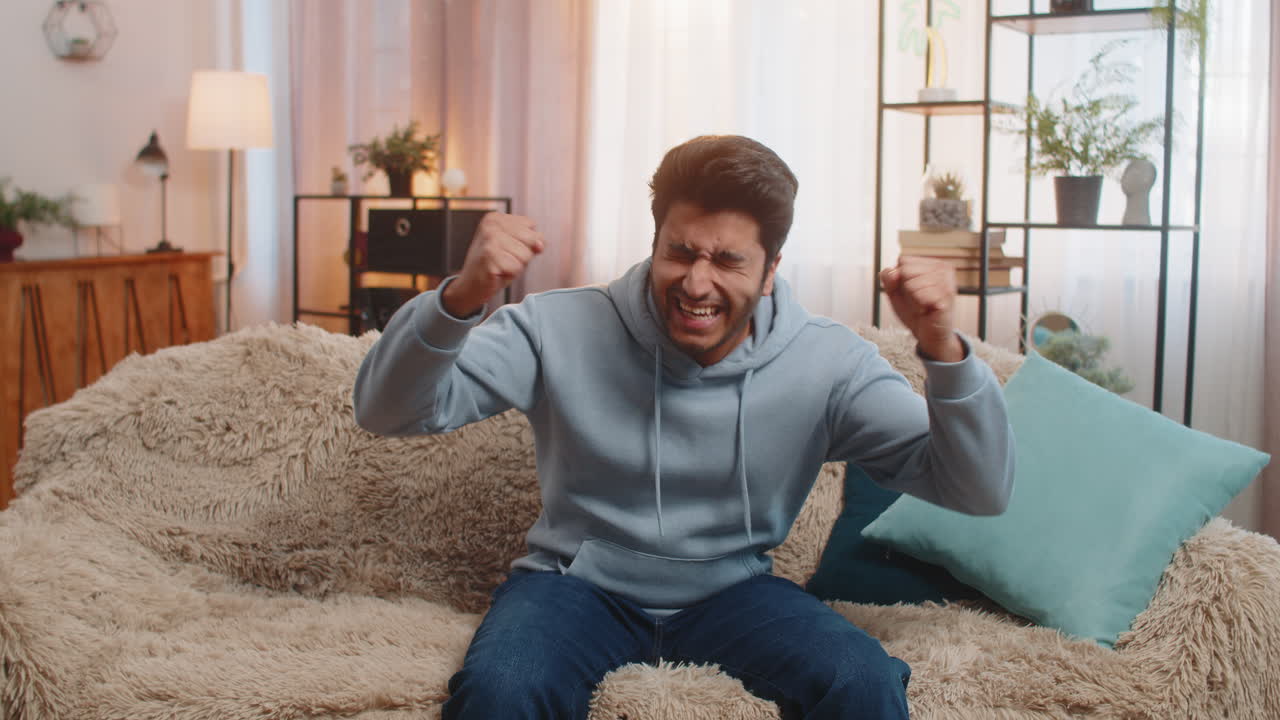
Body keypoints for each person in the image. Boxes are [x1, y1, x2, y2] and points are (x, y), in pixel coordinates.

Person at [353, 134, 1015, 719]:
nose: (696, 283)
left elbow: (977, 490)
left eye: (728, 261)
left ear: (771, 269)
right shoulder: (556, 326)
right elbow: (387, 410)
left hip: (736, 592)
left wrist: (944, 349)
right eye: (681, 252)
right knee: (501, 692)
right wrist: (461, 298)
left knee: (862, 681)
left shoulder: (830, 362)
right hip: (572, 589)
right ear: (654, 244)